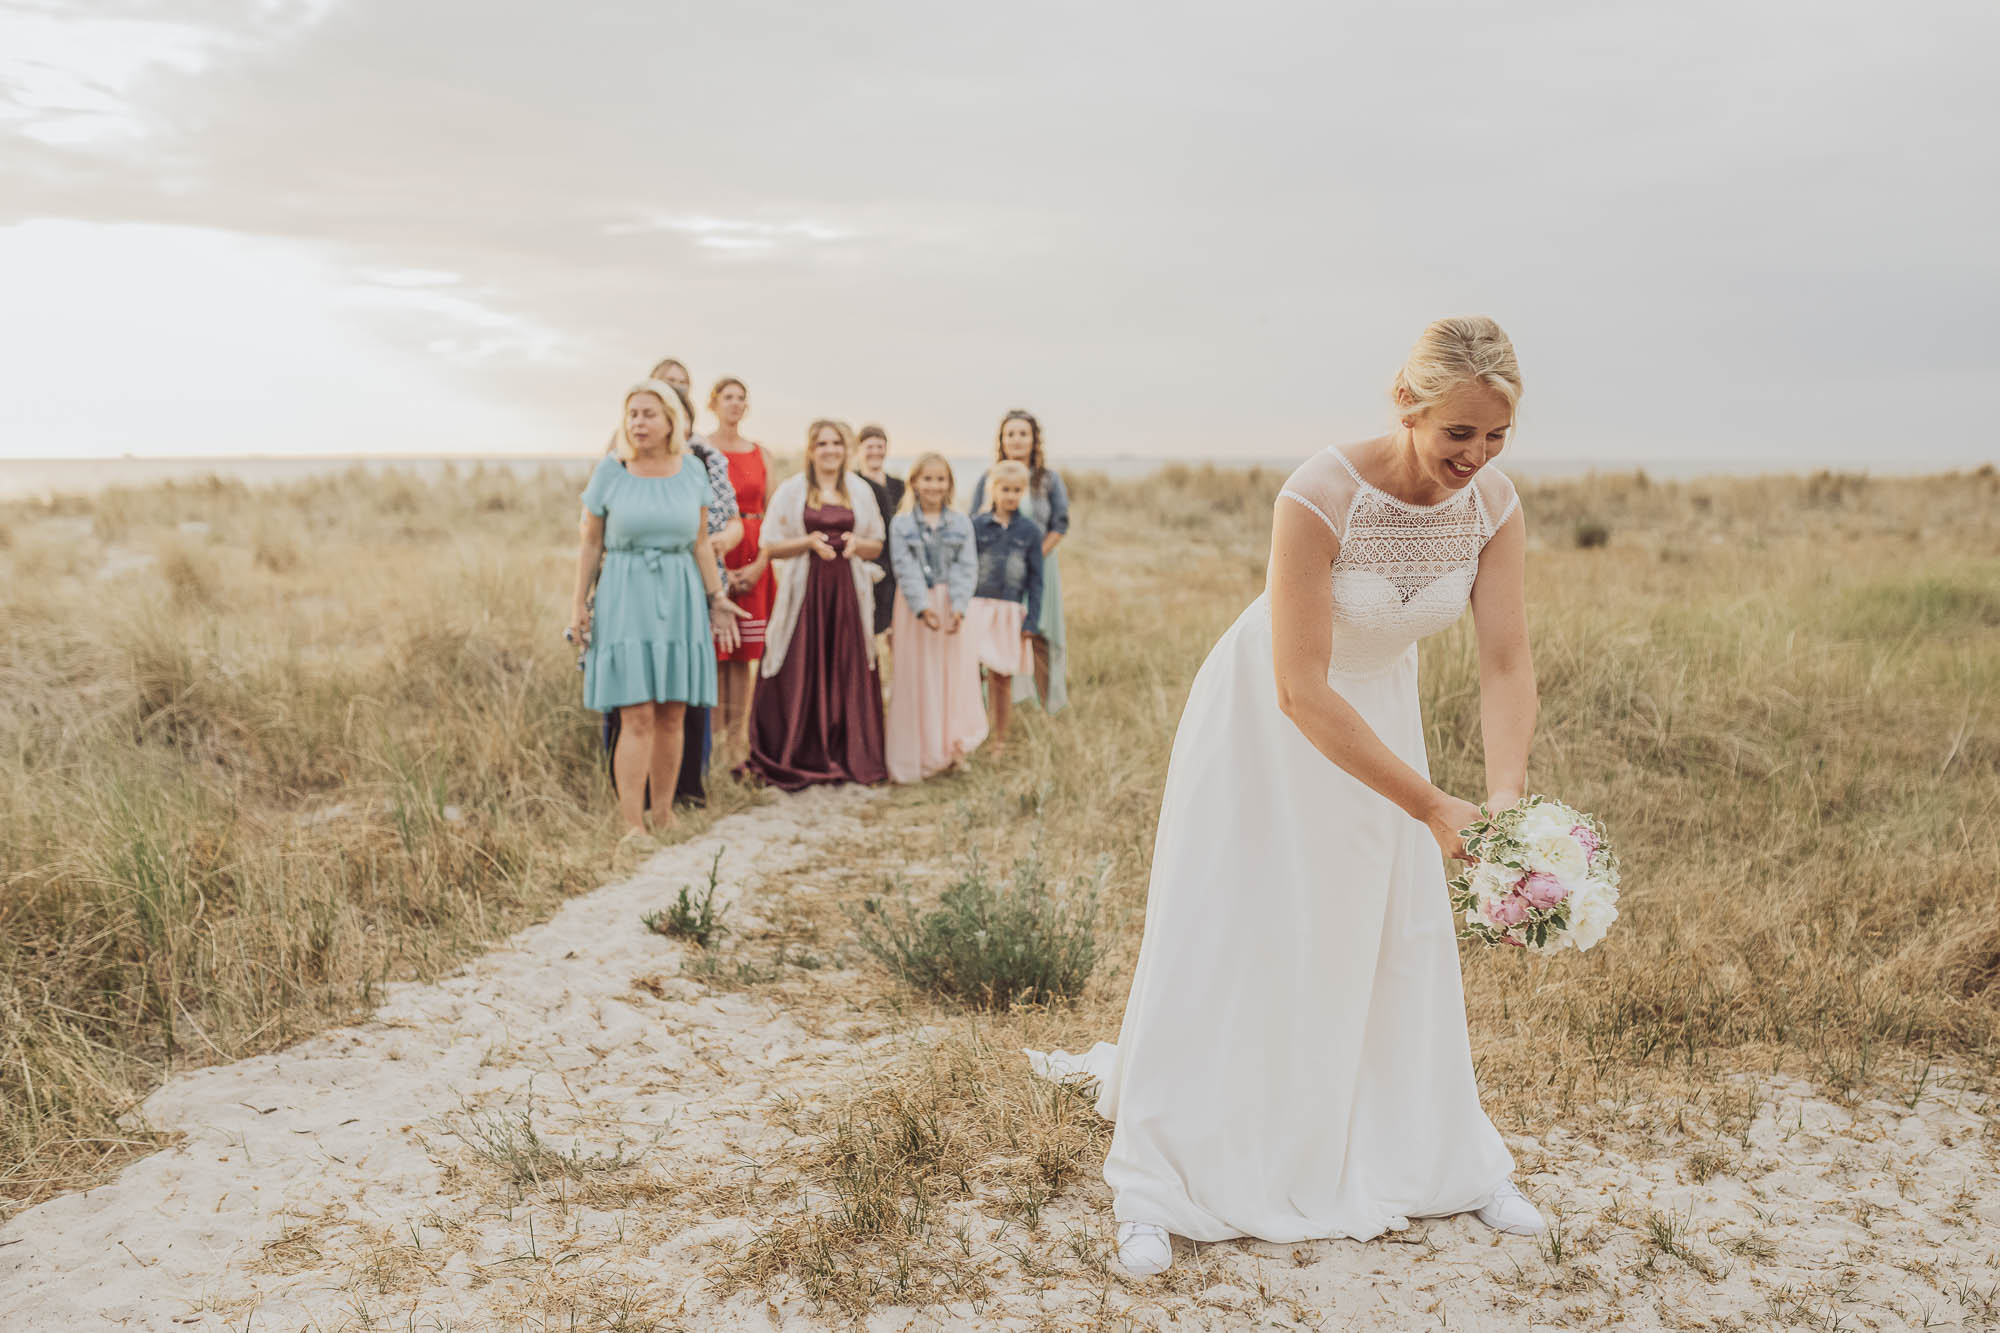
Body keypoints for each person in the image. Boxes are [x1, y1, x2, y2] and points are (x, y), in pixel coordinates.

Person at [1049, 316, 1543, 1278]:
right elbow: (1301, 688)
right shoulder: (1319, 495)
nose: (1475, 458)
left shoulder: (1494, 505)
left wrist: (1505, 802)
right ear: (1407, 406)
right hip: (1270, 719)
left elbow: (1507, 657)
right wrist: (1434, 806)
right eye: (1458, 436)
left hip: (1384, 716)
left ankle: (1442, 1156)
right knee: (1241, 924)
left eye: (1496, 438)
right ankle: (1164, 1179)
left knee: (1387, 931)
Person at [568, 380, 744, 857]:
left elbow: (701, 543)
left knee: (672, 711)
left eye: (648, 414)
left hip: (681, 593)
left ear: (671, 420)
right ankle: (632, 823)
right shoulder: (612, 471)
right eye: (632, 414)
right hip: (625, 592)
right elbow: (589, 543)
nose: (638, 423)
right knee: (636, 711)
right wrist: (579, 605)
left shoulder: (691, 470)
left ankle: (664, 815)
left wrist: (716, 596)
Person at [745, 420, 889, 789]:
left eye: (836, 443)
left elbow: (877, 544)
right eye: (822, 443)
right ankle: (798, 749)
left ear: (846, 449)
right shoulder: (794, 489)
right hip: (805, 593)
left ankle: (846, 752)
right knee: (799, 664)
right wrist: (808, 543)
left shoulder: (859, 490)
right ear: (811, 450)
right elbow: (770, 544)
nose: (829, 450)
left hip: (846, 594)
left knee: (846, 664)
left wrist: (857, 545)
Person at [884, 453, 985, 782]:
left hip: (950, 603)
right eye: (927, 479)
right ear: (914, 482)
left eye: (940, 479)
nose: (933, 485)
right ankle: (918, 753)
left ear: (949, 484)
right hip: (915, 606)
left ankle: (950, 750)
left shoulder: (960, 523)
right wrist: (922, 606)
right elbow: (904, 566)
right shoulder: (901, 524)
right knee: (917, 677)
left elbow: (966, 567)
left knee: (951, 676)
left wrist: (957, 605)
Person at [970, 411, 1070, 715]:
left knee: (1038, 634)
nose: (1016, 439)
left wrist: (1033, 557)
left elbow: (1060, 523)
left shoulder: (1048, 480)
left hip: (1041, 566)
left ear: (1033, 439)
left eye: (1023, 433)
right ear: (1002, 439)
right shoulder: (989, 479)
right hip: (997, 574)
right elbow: (975, 521)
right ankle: (991, 705)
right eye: (1010, 433)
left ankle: (1045, 704)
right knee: (992, 637)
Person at [707, 377, 776, 765]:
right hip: (715, 549)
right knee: (719, 652)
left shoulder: (760, 453)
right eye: (727, 397)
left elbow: (773, 514)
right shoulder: (701, 450)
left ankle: (739, 745)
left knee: (744, 656)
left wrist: (761, 563)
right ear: (714, 403)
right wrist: (717, 570)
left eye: (740, 399)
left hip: (754, 550)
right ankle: (715, 744)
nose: (734, 404)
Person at [963, 460, 1043, 752]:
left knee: (1002, 676)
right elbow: (965, 568)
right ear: (992, 489)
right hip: (976, 607)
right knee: (970, 673)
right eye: (1005, 489)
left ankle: (1000, 739)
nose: (1010, 495)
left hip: (1009, 612)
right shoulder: (975, 526)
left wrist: (1032, 620)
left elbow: (1037, 580)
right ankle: (973, 730)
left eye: (1016, 490)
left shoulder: (1030, 531)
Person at [852, 424, 905, 666]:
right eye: (869, 446)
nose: (875, 451)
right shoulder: (852, 483)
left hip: (896, 565)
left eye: (879, 446)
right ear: (859, 449)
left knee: (897, 633)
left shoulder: (899, 486)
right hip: (867, 564)